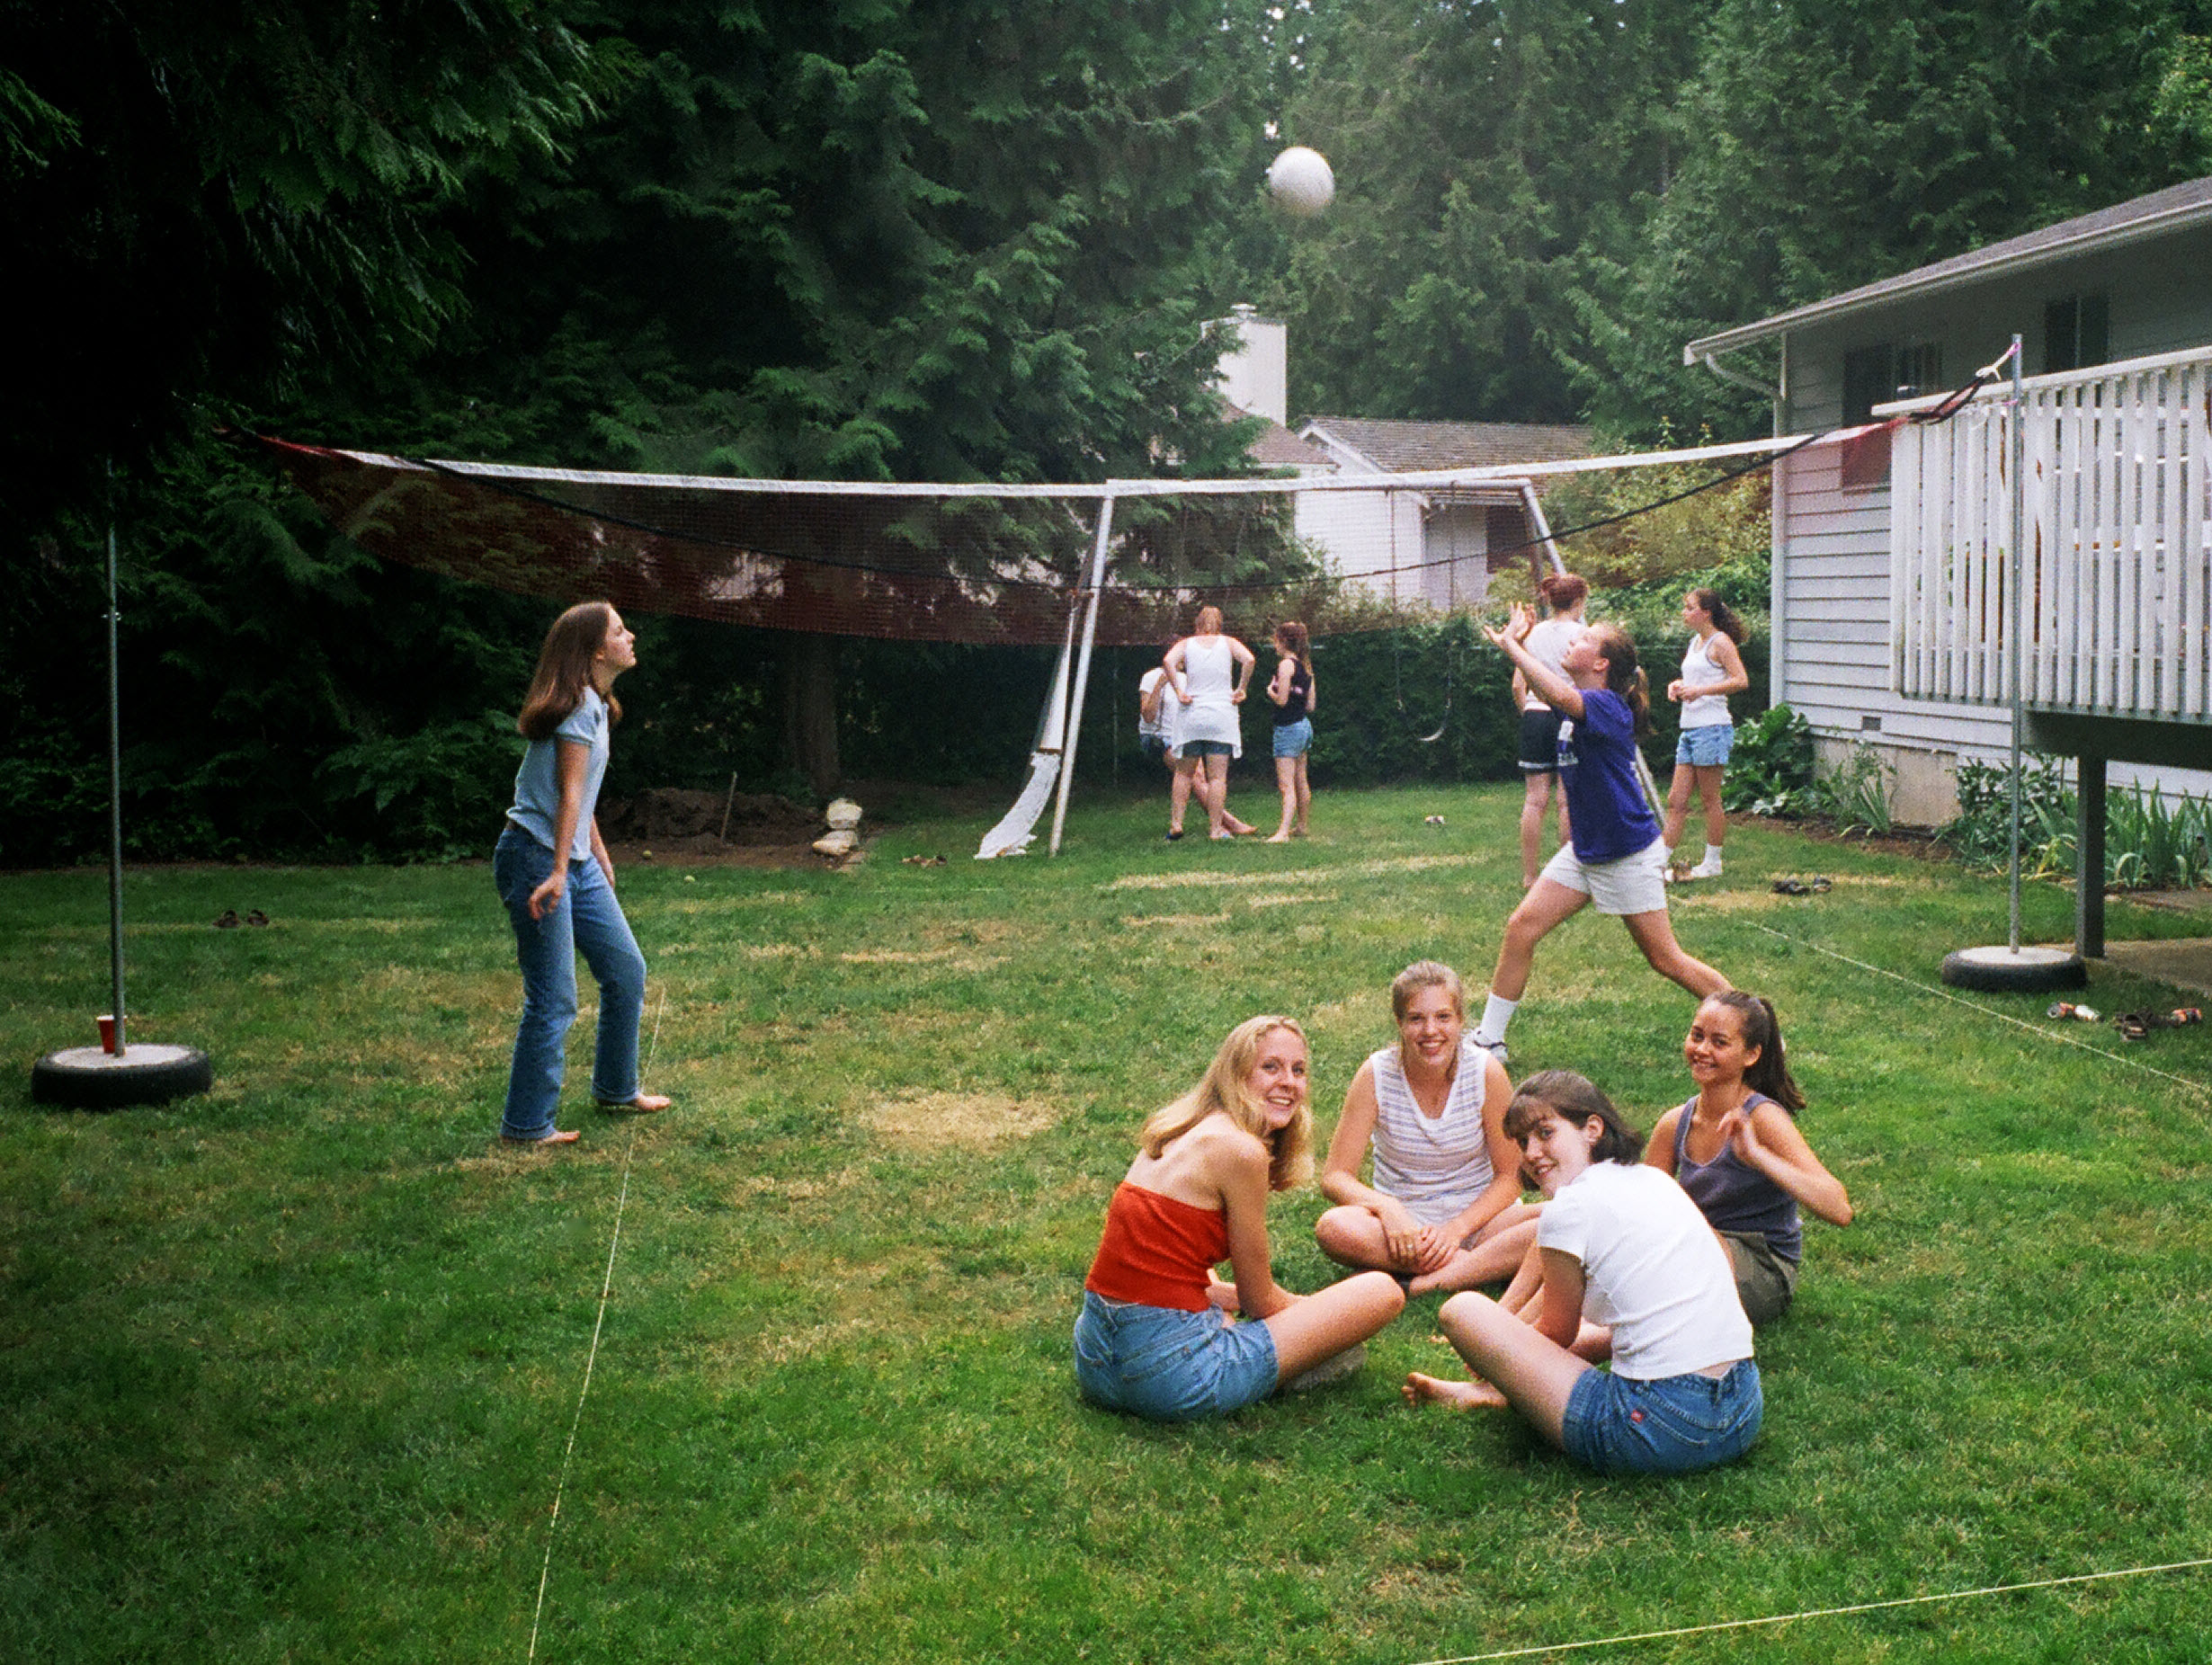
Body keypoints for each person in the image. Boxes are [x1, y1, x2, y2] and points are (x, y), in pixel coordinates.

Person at [1402, 1072, 1762, 1476]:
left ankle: (1499, 1389)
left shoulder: (1568, 1210)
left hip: (1659, 1429)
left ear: (1592, 1129)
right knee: (1626, 1328)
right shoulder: (1655, 1179)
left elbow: (1558, 1333)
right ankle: (1491, 1393)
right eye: (1523, 1142)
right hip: (1742, 1409)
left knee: (1462, 1311)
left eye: (1545, 1133)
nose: (1532, 1153)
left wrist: (1500, 1356)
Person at [1074, 1016, 1406, 1421]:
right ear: (1236, 1074)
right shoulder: (1241, 1150)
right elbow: (1260, 1301)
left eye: (1298, 1070)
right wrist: (1324, 1316)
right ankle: (1284, 1363)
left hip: (1096, 1362)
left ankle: (1238, 1341)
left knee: (1215, 1291)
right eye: (1271, 1067)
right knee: (1380, 1291)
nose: (1288, 1082)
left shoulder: (1175, 1129)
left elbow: (1163, 1266)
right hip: (1171, 1380)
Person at [1468, 605, 1730, 1064]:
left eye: (1584, 639)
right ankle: (1490, 1040)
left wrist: (1512, 646)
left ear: (1601, 663)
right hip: (1585, 851)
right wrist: (1520, 645)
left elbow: (1554, 691)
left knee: (1666, 959)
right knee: (1521, 928)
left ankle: (1754, 1027)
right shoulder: (1577, 699)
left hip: (1626, 852)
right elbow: (1544, 689)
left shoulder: (1608, 706)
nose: (1573, 640)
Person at [493, 601, 672, 1145]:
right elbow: (567, 794)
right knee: (554, 998)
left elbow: (581, 796)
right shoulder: (575, 709)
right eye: (619, 631)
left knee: (626, 970)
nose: (630, 636)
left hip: (572, 860)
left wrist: (597, 854)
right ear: (595, 651)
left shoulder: (595, 704)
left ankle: (616, 1089)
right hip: (535, 858)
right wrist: (557, 871)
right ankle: (526, 1126)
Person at [1315, 961, 1539, 1295]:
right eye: (1416, 1019)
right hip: (1404, 1230)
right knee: (1334, 1227)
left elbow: (1510, 1176)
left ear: (1460, 1020)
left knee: (1560, 1218)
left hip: (1481, 1221)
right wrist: (1387, 1208)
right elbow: (1335, 1176)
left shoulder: (1485, 1072)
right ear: (1400, 1023)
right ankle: (1483, 1267)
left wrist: (1456, 1229)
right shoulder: (1376, 1074)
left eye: (1443, 1017)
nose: (1430, 1031)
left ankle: (1424, 1280)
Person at [1644, 993, 1852, 1324]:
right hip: (1697, 1250)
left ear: (1751, 1054)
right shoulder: (1674, 1123)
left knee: (1672, 1262)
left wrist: (1758, 1155)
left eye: (1719, 1042)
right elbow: (1642, 1208)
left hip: (1762, 1269)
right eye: (1697, 1036)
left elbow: (1839, 1209)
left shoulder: (1763, 1118)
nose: (1702, 1050)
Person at [1661, 587, 1751, 881]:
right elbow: (1696, 678)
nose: (1684, 613)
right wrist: (1678, 686)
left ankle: (1713, 863)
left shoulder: (1720, 642)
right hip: (1689, 729)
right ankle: (1657, 864)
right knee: (1676, 800)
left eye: (1690, 608)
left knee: (1710, 799)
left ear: (1706, 613)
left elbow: (1740, 680)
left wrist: (1700, 691)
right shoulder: (1695, 642)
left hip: (1712, 728)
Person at [1514, 574, 1588, 886]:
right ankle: (1565, 875)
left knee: (1534, 800)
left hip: (1535, 715)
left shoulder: (1535, 633)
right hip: (1567, 716)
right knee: (1566, 799)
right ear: (1579, 601)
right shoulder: (1583, 634)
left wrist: (1530, 713)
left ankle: (1530, 875)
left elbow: (1519, 684)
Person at [1163, 606, 1258, 841]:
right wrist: (1241, 688)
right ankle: (1215, 829)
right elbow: (1249, 659)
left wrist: (1179, 690)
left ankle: (1176, 824)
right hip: (1221, 716)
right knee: (1217, 777)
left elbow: (1167, 661)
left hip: (1192, 715)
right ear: (1220, 624)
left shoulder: (1186, 644)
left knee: (1184, 773)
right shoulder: (1228, 642)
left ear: (1197, 624)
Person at [1263, 620, 1316, 842]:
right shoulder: (1306, 666)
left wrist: (1270, 691)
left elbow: (1282, 700)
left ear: (1283, 641)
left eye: (1275, 640)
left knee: (1286, 785)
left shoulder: (1285, 665)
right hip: (1304, 727)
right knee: (1301, 780)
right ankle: (1301, 826)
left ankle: (1283, 832)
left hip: (1287, 728)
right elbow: (1310, 705)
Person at [1137, 640, 1184, 838]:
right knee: (1191, 775)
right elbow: (1148, 716)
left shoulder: (1185, 679)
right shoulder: (1151, 677)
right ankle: (1225, 823)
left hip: (1180, 737)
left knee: (1199, 776)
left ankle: (1220, 822)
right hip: (1157, 738)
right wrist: (1160, 685)